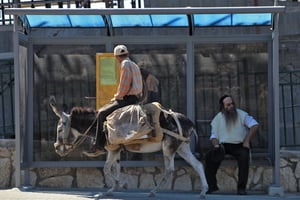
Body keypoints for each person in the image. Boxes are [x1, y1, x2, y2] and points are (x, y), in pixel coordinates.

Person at [84, 45, 143, 157]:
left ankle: (99, 146)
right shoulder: (133, 64)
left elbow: (124, 85)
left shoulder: (125, 64)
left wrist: (117, 96)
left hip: (127, 99)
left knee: (101, 113)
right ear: (127, 54)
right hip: (134, 98)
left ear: (117, 57)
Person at [205, 95, 259, 195]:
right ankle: (212, 186)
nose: (231, 106)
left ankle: (241, 188)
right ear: (223, 107)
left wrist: (247, 141)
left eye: (232, 103)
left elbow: (254, 125)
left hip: (239, 145)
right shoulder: (217, 119)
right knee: (209, 157)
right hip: (223, 146)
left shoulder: (242, 114)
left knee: (244, 156)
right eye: (228, 105)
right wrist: (216, 145)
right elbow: (213, 136)